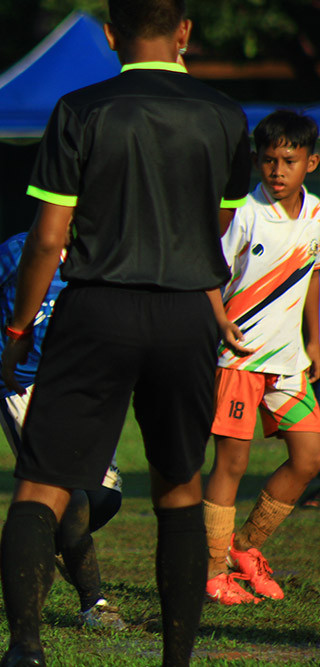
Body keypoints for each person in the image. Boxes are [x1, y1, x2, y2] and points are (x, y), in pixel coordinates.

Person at [0, 1, 251, 665]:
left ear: (110, 34)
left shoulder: (80, 110)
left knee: (43, 484)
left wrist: (20, 324)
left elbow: (48, 238)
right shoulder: (225, 115)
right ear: (185, 31)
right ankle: (175, 660)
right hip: (184, 313)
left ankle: (25, 647)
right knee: (179, 486)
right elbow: (216, 228)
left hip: (96, 309)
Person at [0, 232, 124, 630]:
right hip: (23, 388)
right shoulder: (25, 247)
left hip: (76, 386)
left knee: (106, 497)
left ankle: (45, 538)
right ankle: (93, 605)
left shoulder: (104, 250)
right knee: (73, 495)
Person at [202, 110, 320, 605]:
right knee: (232, 462)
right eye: (269, 161)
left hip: (288, 362)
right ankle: (212, 574)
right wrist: (220, 321)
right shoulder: (244, 214)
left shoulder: (315, 214)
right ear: (255, 161)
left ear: (310, 163)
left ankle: (244, 548)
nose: (277, 171)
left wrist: (315, 341)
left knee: (309, 457)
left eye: (288, 161)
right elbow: (207, 270)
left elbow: (312, 274)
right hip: (238, 360)